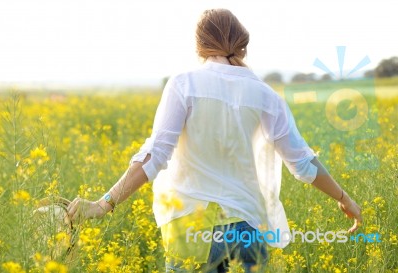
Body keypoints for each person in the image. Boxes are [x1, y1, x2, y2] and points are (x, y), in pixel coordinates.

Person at [67, 8, 362, 273]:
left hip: (192, 230)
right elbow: (303, 162)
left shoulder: (185, 85)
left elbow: (154, 155)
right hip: (249, 230)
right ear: (242, 46)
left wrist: (102, 204)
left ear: (200, 47)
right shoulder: (266, 95)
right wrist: (344, 198)